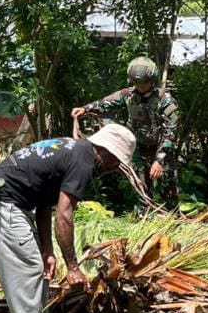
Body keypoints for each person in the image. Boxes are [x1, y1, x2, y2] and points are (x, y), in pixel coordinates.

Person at [0, 124, 136, 313]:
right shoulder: (84, 161)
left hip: (3, 196)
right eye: (116, 161)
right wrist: (72, 267)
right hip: (3, 199)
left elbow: (44, 204)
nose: (115, 167)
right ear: (107, 150)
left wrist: (47, 250)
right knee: (29, 268)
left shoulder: (72, 150)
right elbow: (64, 215)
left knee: (39, 265)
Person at [72, 57, 180, 209]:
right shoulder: (128, 95)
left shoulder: (166, 100)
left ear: (152, 80)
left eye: (144, 83)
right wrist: (85, 109)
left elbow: (170, 133)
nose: (140, 87)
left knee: (169, 192)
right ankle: (144, 221)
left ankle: (174, 222)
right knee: (141, 189)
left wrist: (160, 160)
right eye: (137, 83)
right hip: (139, 150)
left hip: (162, 150)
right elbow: (106, 103)